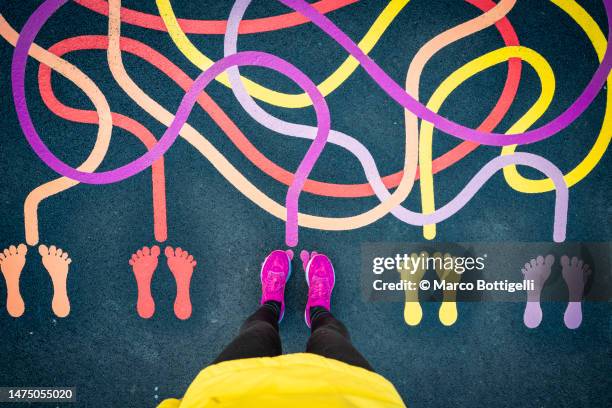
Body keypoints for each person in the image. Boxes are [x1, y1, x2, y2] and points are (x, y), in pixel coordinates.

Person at [159, 250, 406, 407]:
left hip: (231, 393)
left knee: (259, 332)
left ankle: (272, 304)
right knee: (328, 335)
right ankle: (317, 310)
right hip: (351, 394)